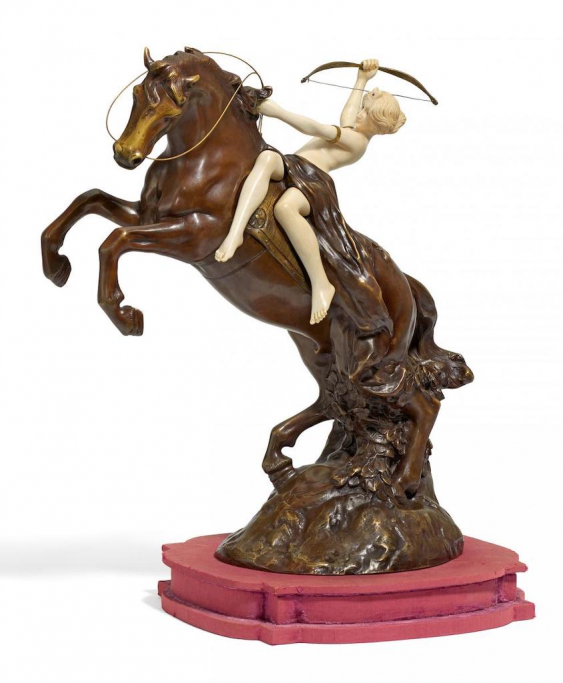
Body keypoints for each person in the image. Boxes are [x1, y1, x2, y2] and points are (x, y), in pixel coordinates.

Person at [215, 59, 406, 325]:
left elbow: (315, 128)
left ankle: (321, 283)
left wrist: (278, 112)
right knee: (267, 158)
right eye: (363, 108)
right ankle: (235, 232)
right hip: (294, 164)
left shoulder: (357, 141)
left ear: (376, 123)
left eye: (366, 112)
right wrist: (362, 79)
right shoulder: (352, 129)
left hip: (314, 182)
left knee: (286, 208)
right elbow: (347, 115)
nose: (359, 113)